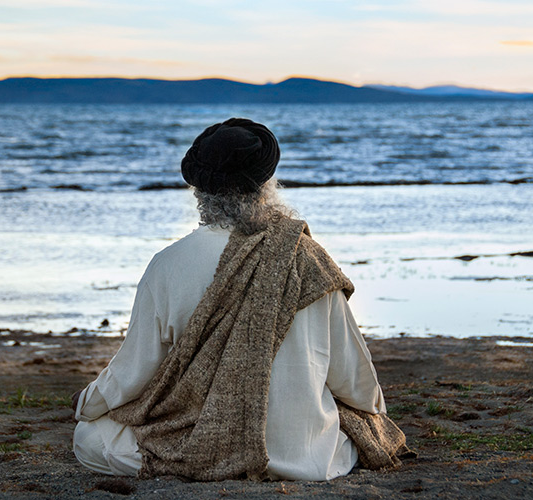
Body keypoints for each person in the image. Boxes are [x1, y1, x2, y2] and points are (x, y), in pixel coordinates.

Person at [71, 118, 410, 481]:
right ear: (266, 185)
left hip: (202, 442)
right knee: (347, 428)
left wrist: (90, 403)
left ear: (201, 191)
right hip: (310, 458)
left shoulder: (167, 265)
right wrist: (372, 412)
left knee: (88, 437)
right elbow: (354, 380)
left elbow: (133, 374)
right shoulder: (310, 260)